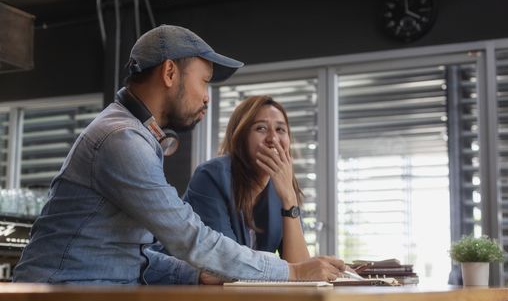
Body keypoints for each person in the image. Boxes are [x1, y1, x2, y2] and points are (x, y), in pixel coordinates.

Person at [13, 25, 346, 284]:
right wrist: (293, 273)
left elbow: (131, 255)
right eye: (204, 82)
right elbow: (192, 239)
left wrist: (195, 275)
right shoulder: (122, 140)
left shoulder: (136, 136)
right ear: (170, 73)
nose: (207, 97)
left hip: (91, 293)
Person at [183, 96, 310, 263]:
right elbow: (225, 263)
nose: (272, 139)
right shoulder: (211, 176)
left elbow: (300, 267)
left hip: (244, 289)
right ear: (241, 137)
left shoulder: (282, 187)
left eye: (280, 130)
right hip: (177, 286)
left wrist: (289, 198)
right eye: (261, 128)